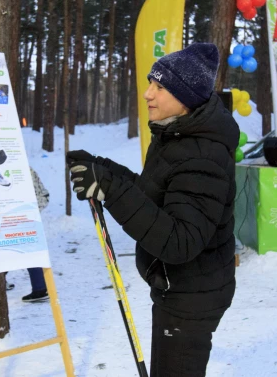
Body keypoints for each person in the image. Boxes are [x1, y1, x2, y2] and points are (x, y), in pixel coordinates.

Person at [67, 43, 238, 377]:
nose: (147, 94)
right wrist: (103, 169)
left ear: (185, 97)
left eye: (160, 87)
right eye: (150, 83)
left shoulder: (202, 153)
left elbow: (180, 241)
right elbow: (154, 195)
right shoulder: (178, 136)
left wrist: (110, 188)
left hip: (191, 297)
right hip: (180, 290)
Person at [22, 167, 51, 302]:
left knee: (26, 249)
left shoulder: (20, 168)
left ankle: (40, 288)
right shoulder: (24, 165)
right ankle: (39, 287)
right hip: (26, 212)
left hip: (23, 214)